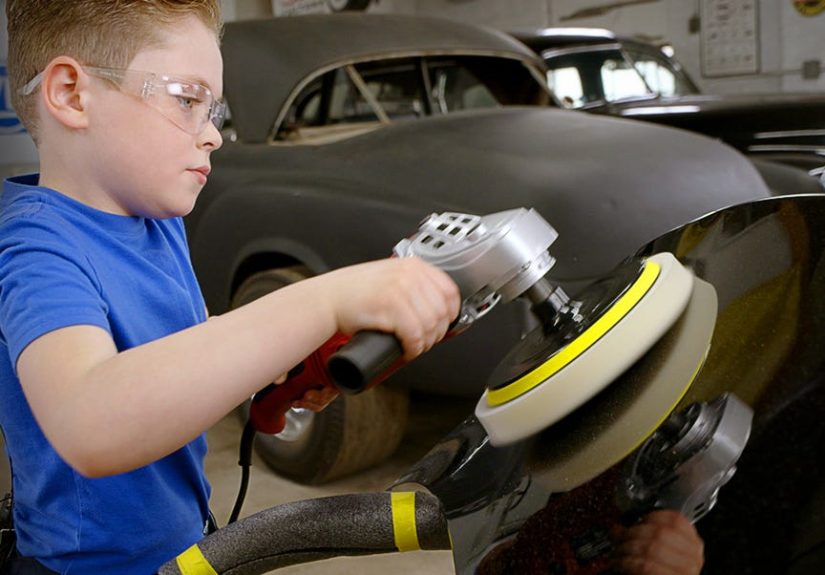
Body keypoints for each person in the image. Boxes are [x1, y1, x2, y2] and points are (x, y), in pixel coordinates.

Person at [0, 1, 460, 573]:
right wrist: (321, 299)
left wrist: (284, 352)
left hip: (187, 543)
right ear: (71, 93)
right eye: (187, 100)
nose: (213, 136)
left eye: (214, 110)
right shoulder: (35, 247)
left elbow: (173, 348)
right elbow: (90, 421)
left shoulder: (155, 219)